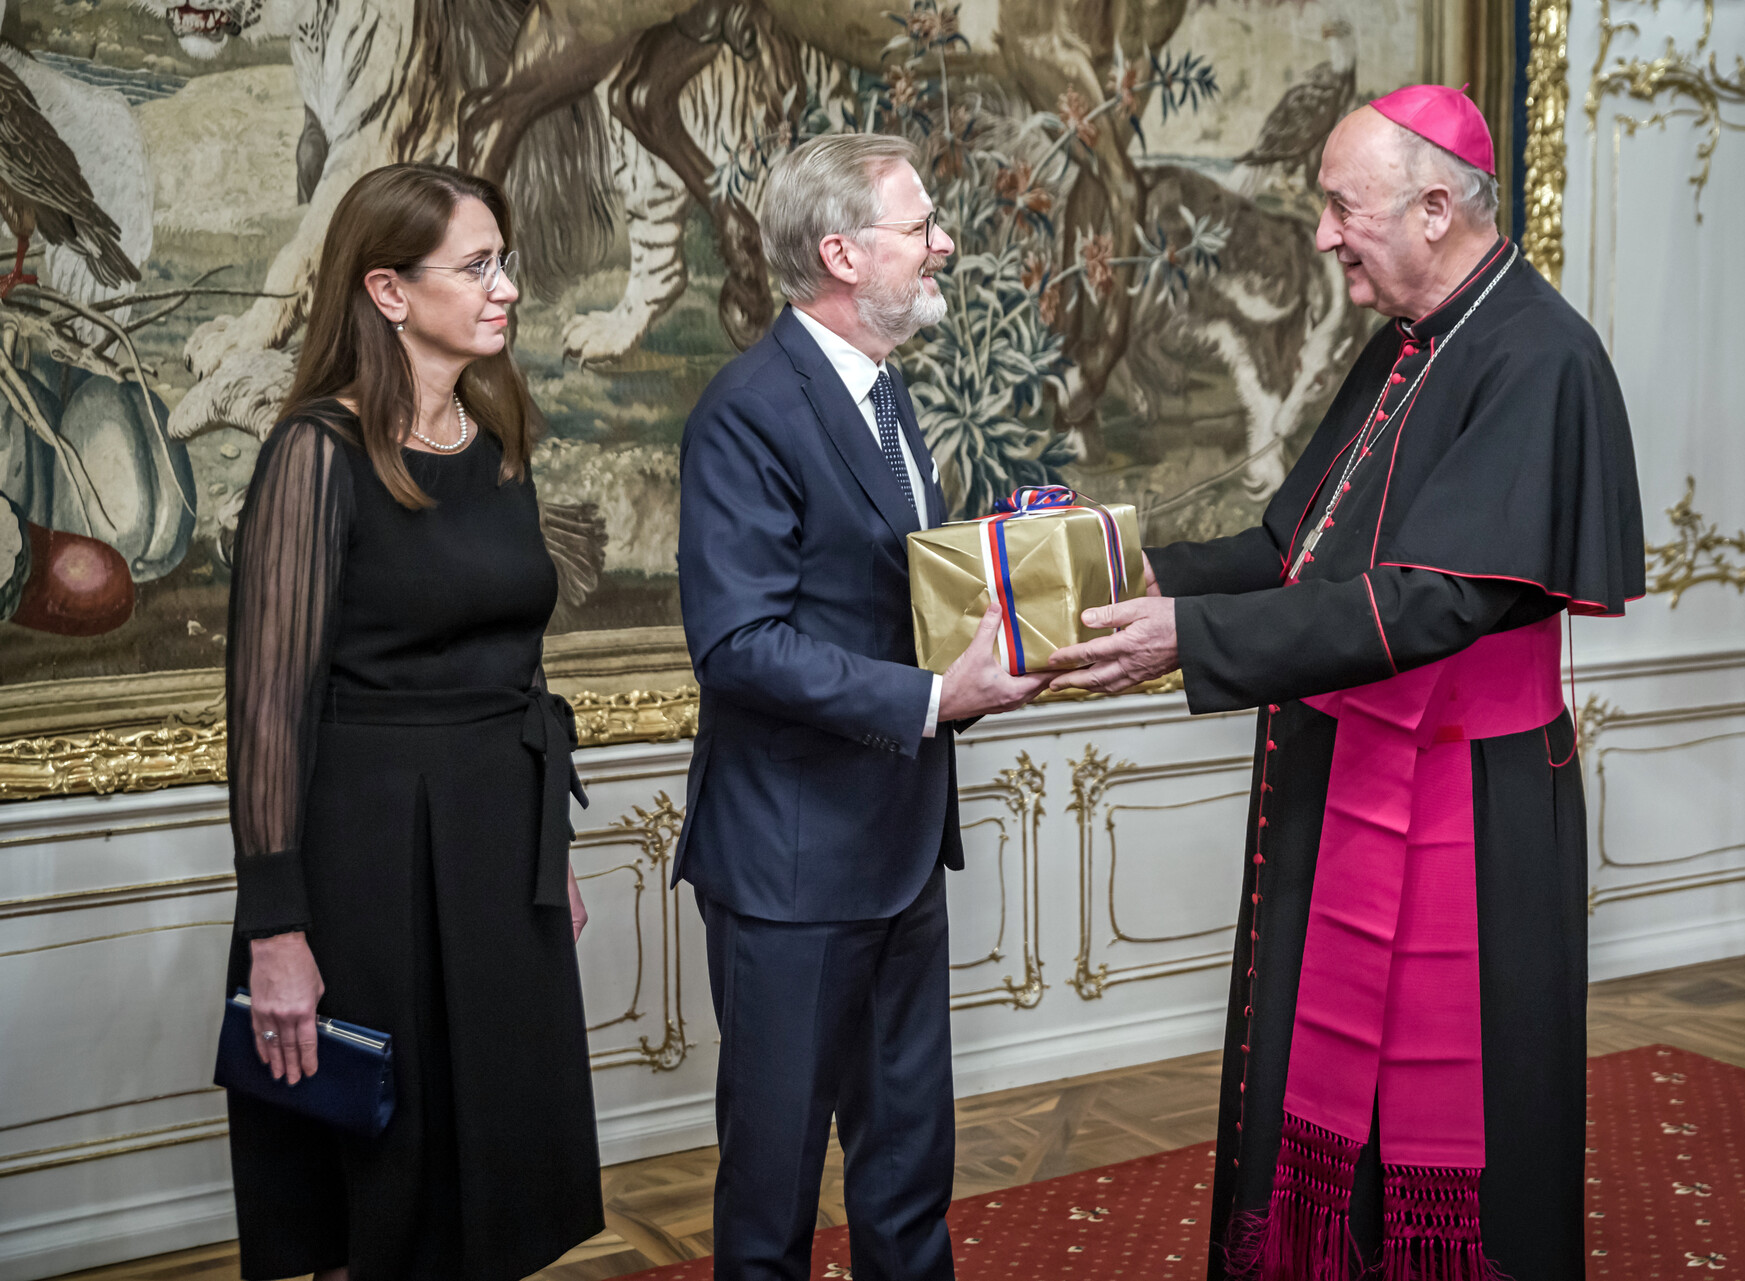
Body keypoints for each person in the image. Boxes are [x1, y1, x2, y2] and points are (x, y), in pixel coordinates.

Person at [1048, 88, 1644, 1280]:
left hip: (1469, 807)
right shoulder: (1410, 340)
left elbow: (1437, 601)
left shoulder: (1543, 356)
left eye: (1341, 207)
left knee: (1456, 1114)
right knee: (1309, 1083)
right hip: (1349, 768)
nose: (1321, 235)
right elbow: (1296, 546)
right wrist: (1135, 574)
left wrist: (1190, 639)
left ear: (1435, 208)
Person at [672, 133, 1049, 1281]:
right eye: (921, 224)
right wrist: (937, 696)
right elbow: (738, 645)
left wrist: (1016, 567)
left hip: (898, 851)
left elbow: (877, 593)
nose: (945, 244)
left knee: (908, 1177)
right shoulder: (748, 408)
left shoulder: (885, 394)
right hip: (790, 870)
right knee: (774, 1198)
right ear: (842, 254)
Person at [223, 162, 603, 1280]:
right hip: (369, 865)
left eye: (504, 263)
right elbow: (266, 708)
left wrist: (550, 847)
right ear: (388, 290)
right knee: (379, 1197)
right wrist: (276, 933)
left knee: (497, 1183)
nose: (507, 288)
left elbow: (516, 662)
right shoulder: (315, 453)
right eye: (477, 267)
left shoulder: (498, 439)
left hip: (500, 852)